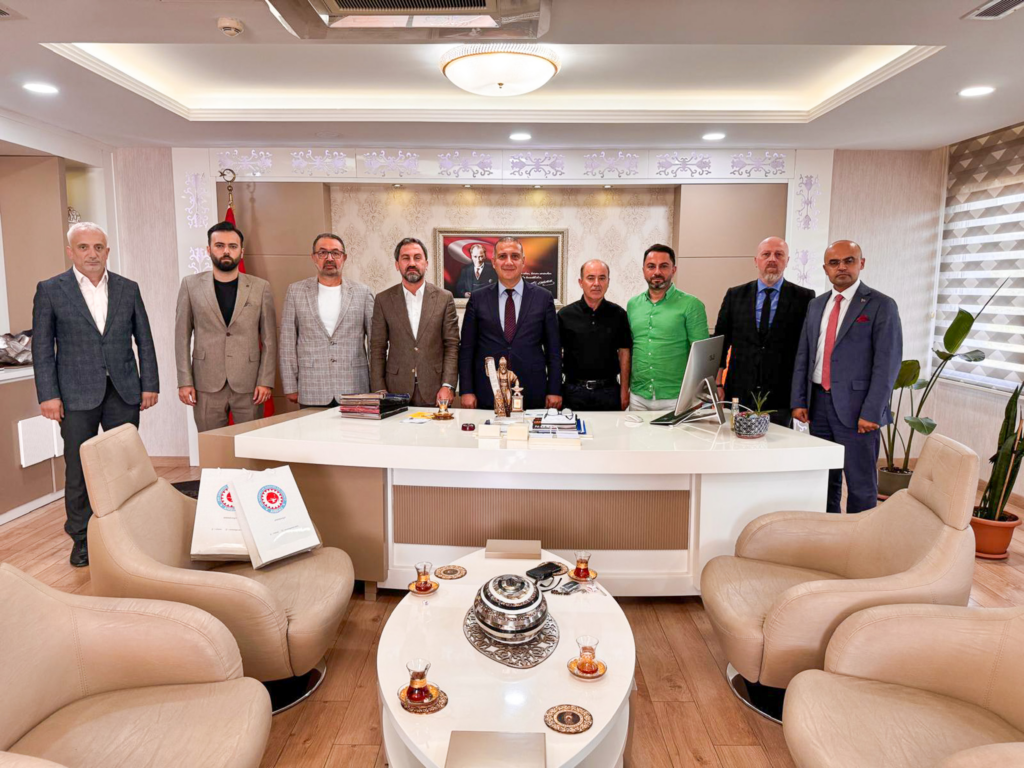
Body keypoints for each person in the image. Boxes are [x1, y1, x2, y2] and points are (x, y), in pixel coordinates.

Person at [32, 222, 159, 567]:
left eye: (98, 247)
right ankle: (82, 539)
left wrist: (149, 384)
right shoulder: (50, 290)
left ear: (107, 251)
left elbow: (144, 340)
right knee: (79, 468)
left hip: (124, 391)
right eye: (84, 247)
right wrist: (48, 395)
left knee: (125, 465)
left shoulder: (128, 288)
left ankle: (129, 533)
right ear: (70, 252)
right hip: (74, 395)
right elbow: (42, 348)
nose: (92, 254)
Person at [792, 240, 902, 514]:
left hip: (858, 410)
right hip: (818, 406)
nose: (841, 267)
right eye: (834, 262)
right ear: (825, 269)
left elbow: (887, 364)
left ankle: (860, 537)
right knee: (824, 480)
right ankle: (829, 532)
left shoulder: (881, 305)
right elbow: (805, 354)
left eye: (848, 260)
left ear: (861, 263)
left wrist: (872, 412)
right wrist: (799, 400)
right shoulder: (816, 305)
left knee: (861, 483)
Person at [174, 221, 277, 431]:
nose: (226, 251)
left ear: (241, 251)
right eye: (219, 245)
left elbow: (269, 339)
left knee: (249, 443)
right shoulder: (190, 285)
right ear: (209, 249)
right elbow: (181, 337)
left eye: (232, 246)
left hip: (249, 384)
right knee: (211, 444)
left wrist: (265, 380)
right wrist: (185, 381)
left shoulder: (260, 287)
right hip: (205, 383)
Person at [714, 237, 815, 427]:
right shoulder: (735, 295)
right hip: (739, 391)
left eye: (779, 254)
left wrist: (801, 397)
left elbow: (806, 351)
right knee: (734, 440)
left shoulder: (805, 298)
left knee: (778, 443)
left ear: (787, 261)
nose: (772, 259)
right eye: (766, 254)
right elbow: (721, 342)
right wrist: (718, 383)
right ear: (756, 260)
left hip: (781, 394)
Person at [459, 236, 561, 411]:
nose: (508, 262)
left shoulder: (543, 298)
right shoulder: (478, 298)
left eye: (514, 256)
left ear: (523, 261)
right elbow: (467, 349)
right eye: (502, 256)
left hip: (532, 391)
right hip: (487, 392)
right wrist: (466, 390)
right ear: (494, 262)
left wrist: (554, 389)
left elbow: (554, 350)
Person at [279, 233, 374, 408]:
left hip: (355, 387)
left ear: (344, 257)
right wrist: (290, 385)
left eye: (335, 253)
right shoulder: (295, 291)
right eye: (323, 253)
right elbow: (287, 342)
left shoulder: (363, 292)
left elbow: (375, 343)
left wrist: (377, 384)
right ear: (314, 257)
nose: (329, 258)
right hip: (312, 387)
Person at [370, 237, 459, 406]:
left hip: (436, 390)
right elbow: (377, 348)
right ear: (397, 264)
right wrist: (379, 389)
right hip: (394, 390)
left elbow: (452, 345)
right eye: (406, 258)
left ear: (426, 263)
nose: (412, 263)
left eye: (417, 258)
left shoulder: (444, 298)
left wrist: (448, 385)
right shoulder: (383, 300)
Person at [627, 244, 709, 411]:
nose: (657, 272)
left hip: (676, 397)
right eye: (651, 266)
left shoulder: (691, 305)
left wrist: (700, 396)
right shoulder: (633, 305)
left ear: (674, 270)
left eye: (664, 266)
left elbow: (703, 354)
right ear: (643, 270)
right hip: (638, 396)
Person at [558, 259, 632, 411]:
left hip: (609, 391)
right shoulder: (565, 315)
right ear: (581, 282)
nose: (596, 283)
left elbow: (624, 352)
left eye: (602, 278)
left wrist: (624, 390)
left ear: (608, 282)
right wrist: (555, 390)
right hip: (573, 392)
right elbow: (556, 355)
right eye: (590, 278)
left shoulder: (619, 314)